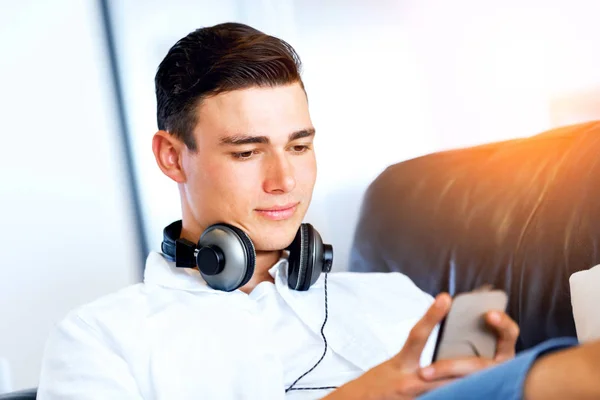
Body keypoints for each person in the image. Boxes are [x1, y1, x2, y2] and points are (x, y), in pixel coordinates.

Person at [37, 22, 521, 399]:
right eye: (247, 153)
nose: (284, 181)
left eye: (299, 146)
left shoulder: (398, 303)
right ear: (171, 157)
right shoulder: (101, 340)